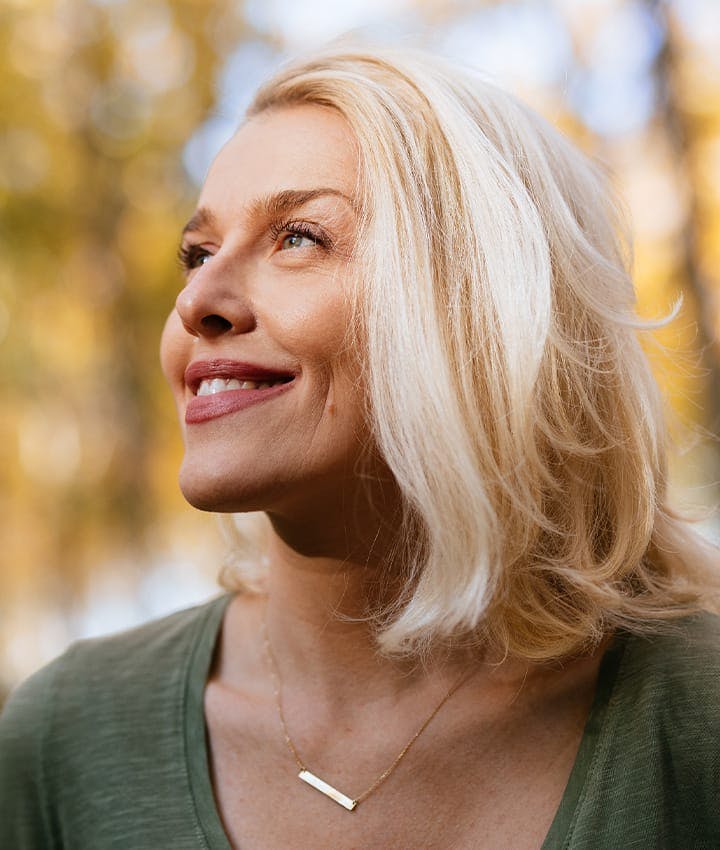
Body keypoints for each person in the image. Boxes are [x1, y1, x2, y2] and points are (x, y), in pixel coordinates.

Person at [1, 44, 719, 850]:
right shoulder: (66, 738)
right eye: (198, 253)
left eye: (298, 237)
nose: (197, 299)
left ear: (483, 306)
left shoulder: (697, 720)